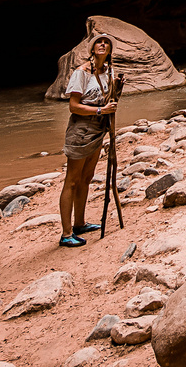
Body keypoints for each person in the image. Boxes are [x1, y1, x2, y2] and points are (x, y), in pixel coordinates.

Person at [58, 33, 117, 247]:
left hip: (98, 128)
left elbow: (110, 98)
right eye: (99, 42)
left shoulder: (108, 72)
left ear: (110, 50)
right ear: (92, 49)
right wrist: (102, 109)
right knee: (72, 180)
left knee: (87, 177)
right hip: (81, 129)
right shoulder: (81, 73)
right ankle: (66, 234)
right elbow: (73, 106)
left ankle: (80, 223)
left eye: (107, 43)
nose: (103, 44)